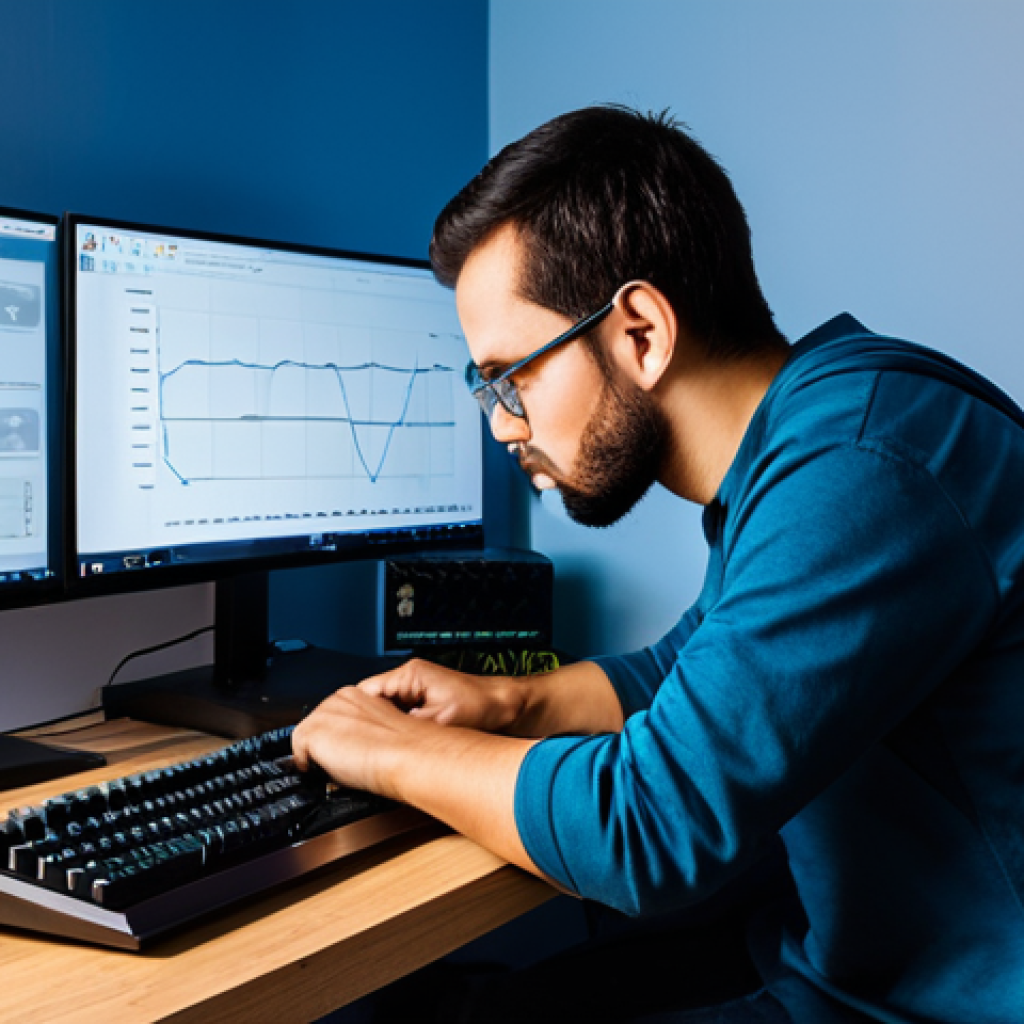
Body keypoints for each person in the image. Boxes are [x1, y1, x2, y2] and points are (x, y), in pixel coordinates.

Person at [293, 106, 1024, 1023]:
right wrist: (506, 702)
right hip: (842, 966)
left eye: (511, 378)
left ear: (640, 330)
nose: (502, 426)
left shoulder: (861, 468)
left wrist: (397, 752)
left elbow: (651, 827)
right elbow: (685, 669)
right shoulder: (813, 435)